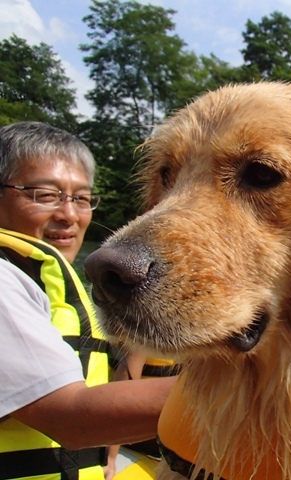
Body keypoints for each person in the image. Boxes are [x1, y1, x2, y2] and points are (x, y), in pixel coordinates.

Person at [0, 121, 175, 480]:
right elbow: (72, 420)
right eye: (45, 195)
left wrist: (109, 456)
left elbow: (114, 376)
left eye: (81, 199)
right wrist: (259, 389)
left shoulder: (61, 287)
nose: (69, 215)